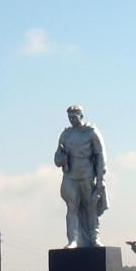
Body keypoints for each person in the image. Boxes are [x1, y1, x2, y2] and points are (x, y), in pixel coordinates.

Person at [54, 104, 108, 248]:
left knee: (91, 207)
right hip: (70, 176)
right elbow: (57, 157)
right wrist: (61, 158)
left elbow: (101, 155)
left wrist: (101, 179)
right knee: (72, 208)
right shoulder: (66, 134)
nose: (71, 120)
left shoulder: (91, 132)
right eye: (69, 117)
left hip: (87, 175)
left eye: (74, 116)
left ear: (81, 116)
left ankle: (94, 237)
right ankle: (73, 239)